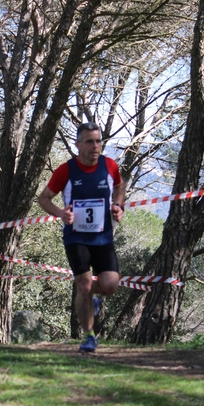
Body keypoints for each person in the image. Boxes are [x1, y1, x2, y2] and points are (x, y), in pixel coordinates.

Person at [38, 122, 125, 353]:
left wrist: (118, 205)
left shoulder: (110, 166)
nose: (95, 146)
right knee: (84, 285)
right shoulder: (66, 170)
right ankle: (89, 336)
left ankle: (89, 300)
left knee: (110, 285)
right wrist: (60, 213)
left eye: (98, 141)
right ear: (78, 145)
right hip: (76, 237)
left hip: (103, 237)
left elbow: (119, 186)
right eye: (89, 142)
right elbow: (44, 198)